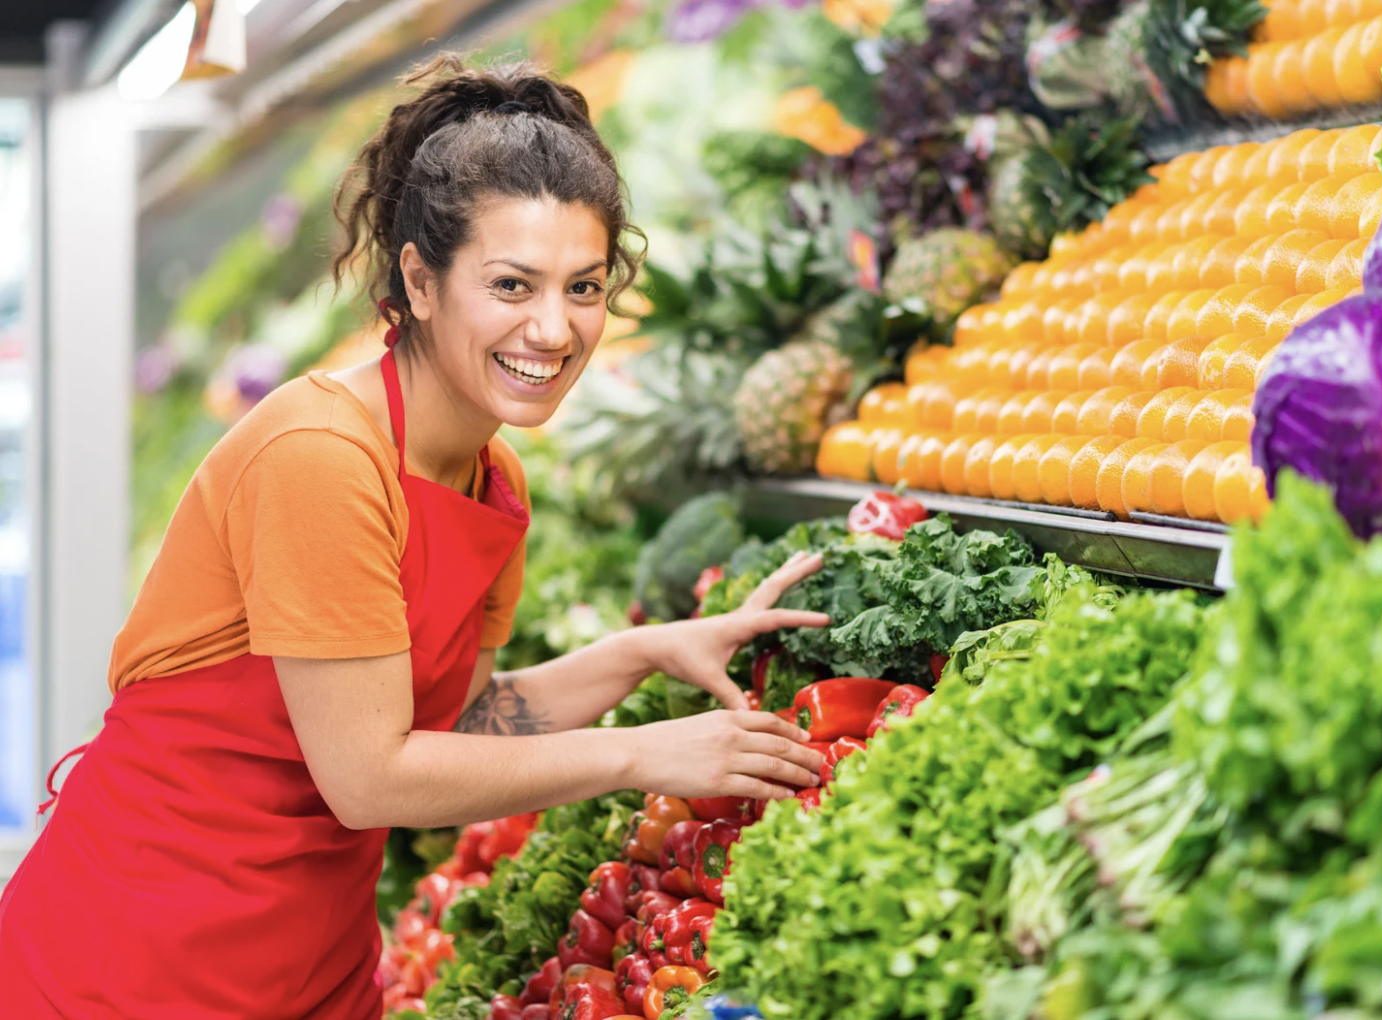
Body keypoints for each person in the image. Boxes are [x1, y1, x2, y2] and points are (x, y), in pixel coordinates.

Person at [0, 57, 828, 1020]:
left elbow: (459, 729)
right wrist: (646, 752)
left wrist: (644, 655)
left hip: (314, 962)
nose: (554, 329)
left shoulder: (492, 476)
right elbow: (370, 776)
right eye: (512, 284)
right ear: (420, 282)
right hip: (144, 955)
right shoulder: (320, 458)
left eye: (586, 286)